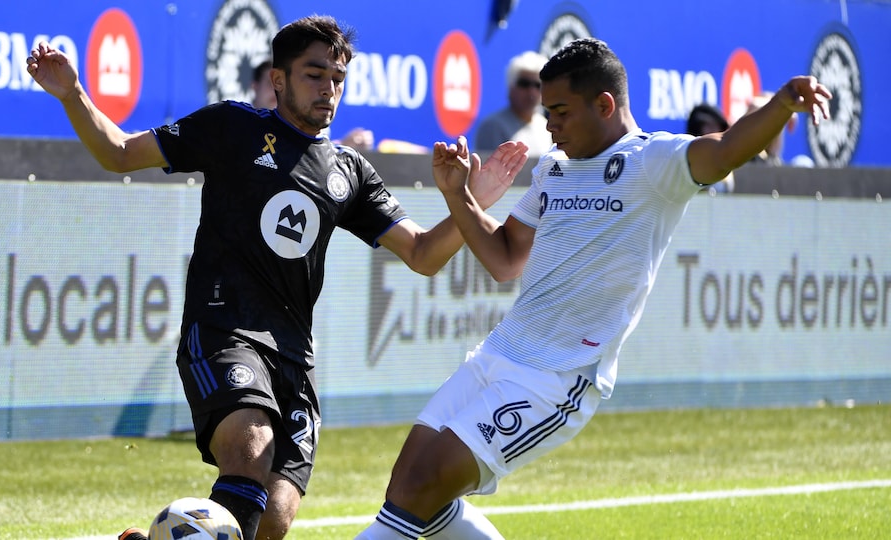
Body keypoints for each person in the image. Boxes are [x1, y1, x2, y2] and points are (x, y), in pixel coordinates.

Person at [25, 15, 528, 540]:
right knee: (250, 451)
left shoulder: (350, 170)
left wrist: (468, 202)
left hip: (294, 357)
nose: (328, 90)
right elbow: (118, 153)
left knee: (274, 520)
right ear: (280, 78)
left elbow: (423, 254)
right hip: (224, 331)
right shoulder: (231, 127)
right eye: (315, 75)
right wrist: (73, 93)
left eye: (337, 79)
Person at [356, 37, 831, 539]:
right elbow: (503, 259)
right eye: (546, 111)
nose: (549, 125)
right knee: (408, 487)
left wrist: (780, 105)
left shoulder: (655, 162)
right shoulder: (553, 168)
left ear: (605, 105)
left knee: (423, 485)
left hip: (557, 378)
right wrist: (458, 195)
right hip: (497, 353)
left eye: (560, 111)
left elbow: (726, 149)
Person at [475, 50, 553, 156]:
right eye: (524, 84)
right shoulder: (493, 127)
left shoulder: (547, 127)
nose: (531, 91)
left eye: (537, 85)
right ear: (511, 87)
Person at [685, 103, 735, 192]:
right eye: (708, 126)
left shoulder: (726, 159)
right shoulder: (685, 158)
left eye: (716, 127)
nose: (714, 131)